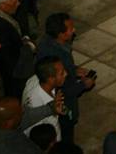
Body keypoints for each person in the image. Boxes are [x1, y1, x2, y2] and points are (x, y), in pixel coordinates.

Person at [37, 13, 95, 144]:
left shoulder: (50, 43)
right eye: (70, 28)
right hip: (65, 107)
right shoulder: (53, 54)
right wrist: (83, 85)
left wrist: (73, 70)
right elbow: (62, 90)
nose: (74, 30)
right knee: (66, 134)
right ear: (60, 34)